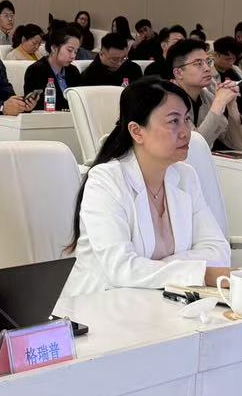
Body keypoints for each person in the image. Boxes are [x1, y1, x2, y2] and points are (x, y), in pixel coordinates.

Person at [56, 79, 232, 315]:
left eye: (187, 120)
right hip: (101, 309)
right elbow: (121, 269)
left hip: (163, 304)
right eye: (173, 121)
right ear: (137, 131)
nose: (186, 132)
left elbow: (219, 251)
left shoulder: (185, 176)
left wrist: (154, 268)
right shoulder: (105, 180)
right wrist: (201, 273)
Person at [163, 36, 242, 150]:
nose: (207, 68)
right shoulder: (167, 101)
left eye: (208, 62)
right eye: (198, 63)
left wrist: (232, 107)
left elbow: (238, 144)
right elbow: (193, 148)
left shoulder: (207, 97)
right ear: (178, 73)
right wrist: (219, 103)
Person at [22, 23, 84, 111]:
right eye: (70, 50)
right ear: (54, 48)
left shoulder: (73, 71)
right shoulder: (36, 70)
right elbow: (34, 106)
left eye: (76, 51)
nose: (73, 56)